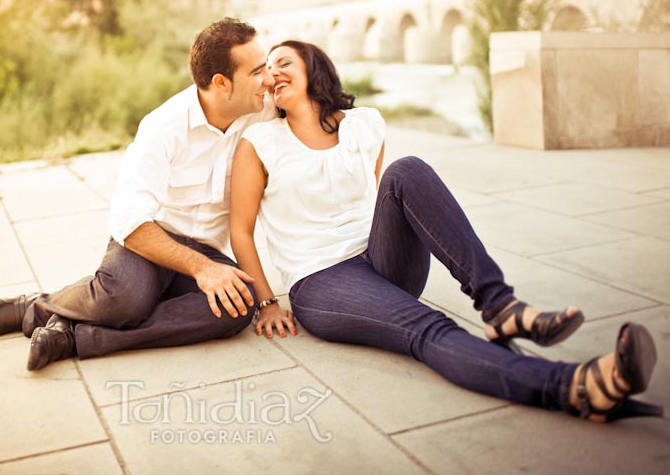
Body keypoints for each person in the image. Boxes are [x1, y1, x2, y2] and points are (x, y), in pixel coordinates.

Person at [229, 39, 662, 422]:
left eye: (282, 61)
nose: (271, 72)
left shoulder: (364, 124)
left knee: (406, 171)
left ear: (313, 69)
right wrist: (267, 302)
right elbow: (241, 230)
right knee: (429, 328)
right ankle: (575, 386)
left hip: (380, 259)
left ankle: (501, 305)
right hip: (323, 279)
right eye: (266, 68)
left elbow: (382, 199)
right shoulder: (261, 142)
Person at [0, 17, 277, 370]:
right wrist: (202, 268)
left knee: (237, 306)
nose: (267, 79)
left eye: (266, 67)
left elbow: (315, 100)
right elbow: (129, 221)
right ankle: (38, 307)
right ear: (221, 83)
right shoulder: (163, 127)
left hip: (206, 248)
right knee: (125, 300)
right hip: (151, 241)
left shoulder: (261, 109)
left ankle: (73, 334)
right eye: (256, 72)